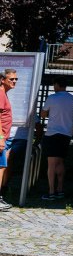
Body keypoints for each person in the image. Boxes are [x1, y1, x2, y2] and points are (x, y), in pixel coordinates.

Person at [39, 77, 73, 201]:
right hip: (66, 133)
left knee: (51, 164)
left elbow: (43, 114)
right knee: (60, 162)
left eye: (54, 85)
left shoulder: (52, 98)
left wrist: (50, 112)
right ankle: (60, 189)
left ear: (57, 85)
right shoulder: (72, 99)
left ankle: (51, 192)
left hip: (53, 133)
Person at [0, 68, 17, 211]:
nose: (14, 81)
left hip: (3, 137)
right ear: (2, 80)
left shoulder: (4, 94)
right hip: (0, 138)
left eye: (16, 79)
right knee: (1, 167)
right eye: (11, 79)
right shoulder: (0, 94)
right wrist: (0, 138)